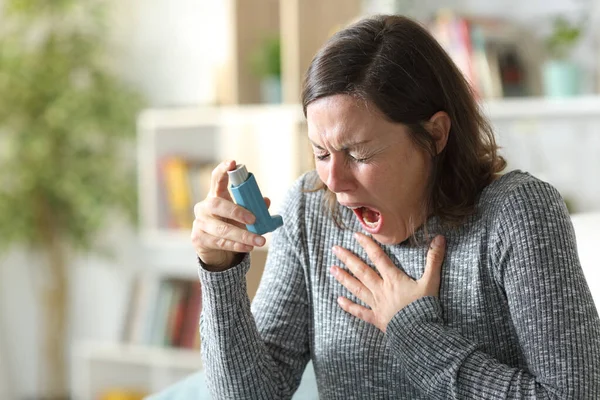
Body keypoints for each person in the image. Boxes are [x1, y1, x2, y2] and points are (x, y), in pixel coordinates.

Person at [191, 15, 600, 399]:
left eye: (359, 154)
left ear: (435, 133)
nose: (334, 181)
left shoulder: (515, 215)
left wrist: (414, 332)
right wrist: (220, 272)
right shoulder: (309, 209)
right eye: (320, 152)